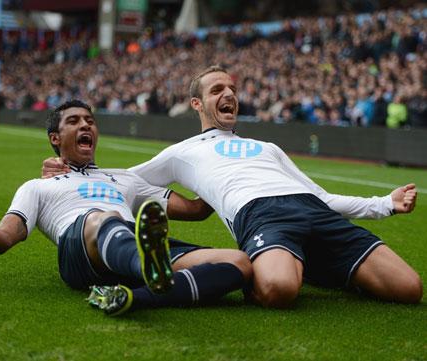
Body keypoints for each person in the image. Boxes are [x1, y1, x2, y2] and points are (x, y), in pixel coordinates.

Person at [45, 67, 422, 308]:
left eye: (232, 88)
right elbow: (124, 177)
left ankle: (317, 265)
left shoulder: (269, 148)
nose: (228, 94)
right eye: (216, 89)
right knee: (279, 292)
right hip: (262, 217)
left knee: (410, 289)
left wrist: (383, 203)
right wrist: (69, 168)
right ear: (198, 103)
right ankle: (274, 270)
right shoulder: (182, 152)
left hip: (313, 211)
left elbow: (321, 197)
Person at [0, 99, 251, 316]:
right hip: (79, 251)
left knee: (238, 263)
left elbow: (196, 210)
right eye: (74, 121)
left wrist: (219, 166)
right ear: (56, 138)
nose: (85, 125)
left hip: (131, 243)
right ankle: (149, 269)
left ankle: (132, 295)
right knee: (103, 218)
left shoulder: (126, 179)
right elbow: (2, 241)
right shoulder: (38, 186)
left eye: (89, 121)